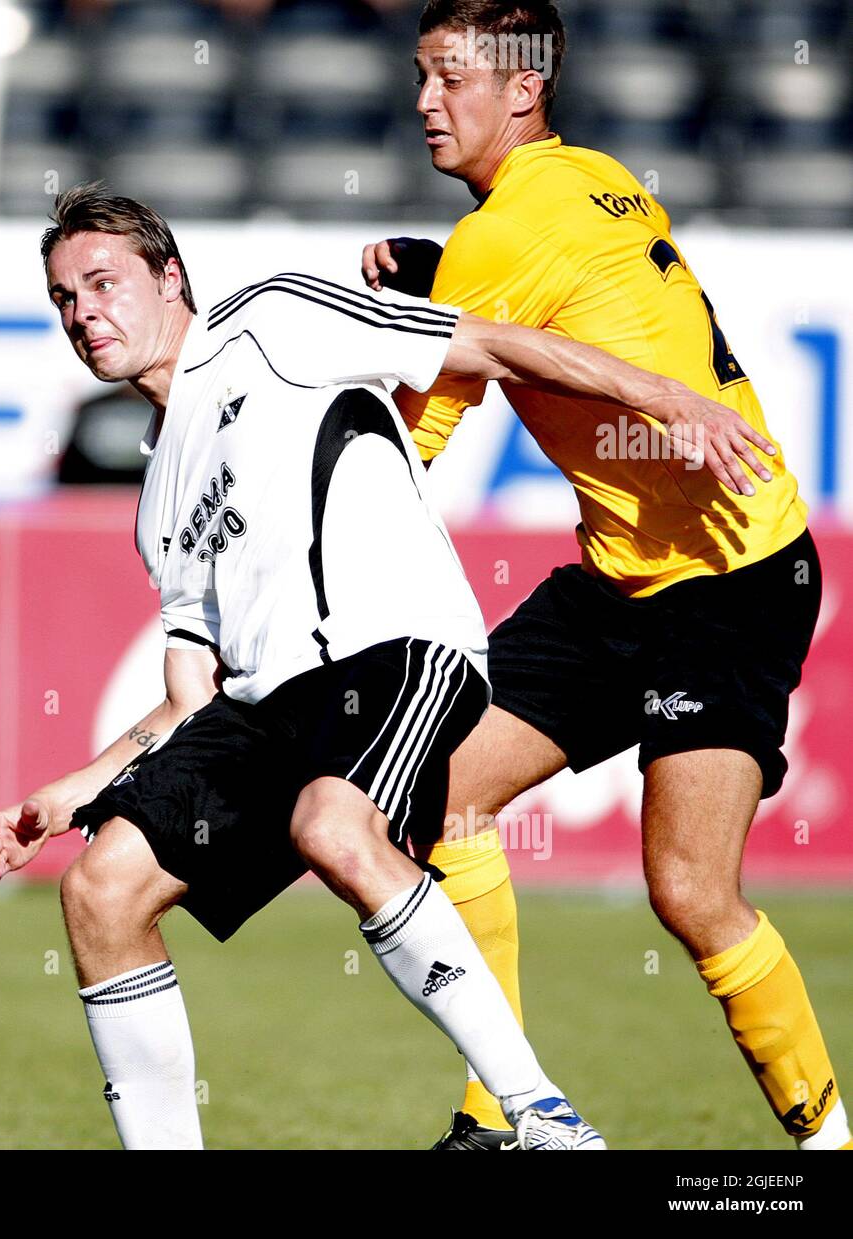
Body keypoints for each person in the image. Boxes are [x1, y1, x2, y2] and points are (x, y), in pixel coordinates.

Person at [0, 182, 765, 1150]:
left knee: (334, 825)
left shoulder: (273, 320)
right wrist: (73, 790)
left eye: (103, 282)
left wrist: (661, 395)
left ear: (170, 277)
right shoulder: (158, 493)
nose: (84, 312)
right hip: (264, 704)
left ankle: (544, 1118)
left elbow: (492, 345)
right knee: (102, 892)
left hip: (394, 650)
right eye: (64, 298)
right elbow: (189, 696)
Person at [359, 0, 849, 1151]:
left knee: (688, 895)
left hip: (731, 578)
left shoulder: (500, 240)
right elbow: (579, 300)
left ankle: (826, 1146)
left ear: (520, 90)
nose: (425, 102)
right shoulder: (597, 177)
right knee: (438, 798)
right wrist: (445, 291)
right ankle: (506, 1121)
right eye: (420, 77)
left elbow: (404, 454)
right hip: (617, 583)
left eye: (448, 79)